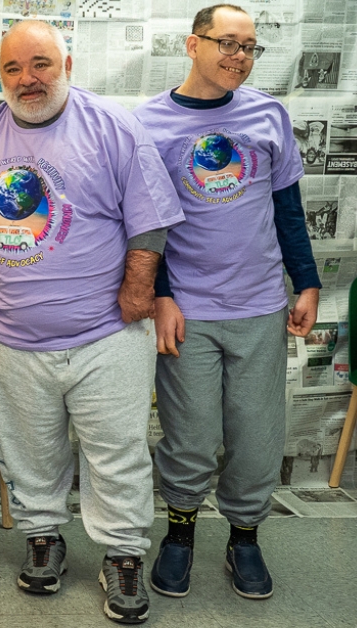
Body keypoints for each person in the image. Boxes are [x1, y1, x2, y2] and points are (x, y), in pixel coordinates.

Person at [0, 20, 184, 624]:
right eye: (14, 69)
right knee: (28, 451)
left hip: (106, 332)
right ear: (0, 76)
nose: (28, 79)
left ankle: (123, 555)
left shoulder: (113, 126)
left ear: (67, 64)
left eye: (41, 64)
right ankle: (43, 539)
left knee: (117, 452)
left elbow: (148, 217)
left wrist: (139, 287)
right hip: (10, 336)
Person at [131, 3, 320, 602]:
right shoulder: (148, 125)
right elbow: (142, 226)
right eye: (227, 44)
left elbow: (287, 209)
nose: (239, 56)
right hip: (188, 307)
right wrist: (160, 297)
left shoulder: (268, 115)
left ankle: (245, 537)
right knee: (188, 434)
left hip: (260, 305)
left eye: (250, 47)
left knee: (257, 433)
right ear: (193, 45)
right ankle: (180, 534)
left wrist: (307, 283)